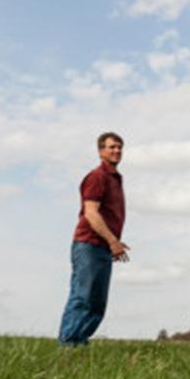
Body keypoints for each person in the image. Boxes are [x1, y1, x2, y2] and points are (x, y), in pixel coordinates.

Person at [58, 132, 130, 347]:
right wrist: (112, 240)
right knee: (83, 297)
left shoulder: (114, 179)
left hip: (102, 247)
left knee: (97, 302)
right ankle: (68, 345)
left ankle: (78, 343)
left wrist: (113, 242)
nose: (116, 150)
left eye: (119, 147)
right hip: (89, 244)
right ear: (100, 151)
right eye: (111, 147)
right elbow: (91, 213)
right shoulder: (97, 177)